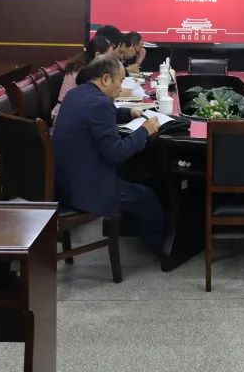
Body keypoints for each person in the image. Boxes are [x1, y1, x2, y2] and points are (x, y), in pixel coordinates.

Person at [52, 55, 165, 252]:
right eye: (120, 81)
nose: (121, 87)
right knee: (147, 197)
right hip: (85, 189)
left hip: (63, 182)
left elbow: (100, 115)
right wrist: (144, 130)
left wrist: (128, 113)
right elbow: (116, 153)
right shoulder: (100, 104)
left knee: (138, 172)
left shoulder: (76, 93)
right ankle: (160, 249)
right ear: (105, 79)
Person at [52, 35, 115, 119]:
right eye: (109, 56)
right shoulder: (84, 70)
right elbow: (95, 97)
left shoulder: (84, 63)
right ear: (97, 55)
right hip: (65, 114)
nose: (111, 60)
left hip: (72, 110)